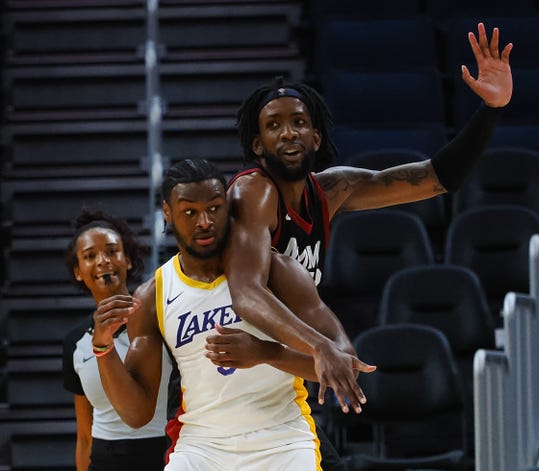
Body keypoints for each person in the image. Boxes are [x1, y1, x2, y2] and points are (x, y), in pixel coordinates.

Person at [224, 22, 512, 467]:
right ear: (257, 144)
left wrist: (491, 109)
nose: (288, 133)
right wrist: (320, 347)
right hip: (227, 383)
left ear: (316, 137)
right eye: (274, 126)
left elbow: (437, 178)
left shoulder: (331, 191)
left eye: (299, 123)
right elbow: (246, 294)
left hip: (276, 385)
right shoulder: (253, 192)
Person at [91, 159, 375, 470]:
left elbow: (344, 364)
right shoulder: (151, 296)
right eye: (190, 212)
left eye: (214, 208)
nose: (204, 221)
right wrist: (103, 348)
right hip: (202, 447)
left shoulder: (276, 270)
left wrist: (266, 352)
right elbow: (137, 414)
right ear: (168, 213)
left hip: (281, 438)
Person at [61, 209, 172, 471]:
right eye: (89, 256)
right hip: (104, 459)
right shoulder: (75, 342)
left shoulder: (161, 321)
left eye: (112, 251)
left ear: (128, 260)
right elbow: (85, 435)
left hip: (164, 453)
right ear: (78, 271)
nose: (102, 261)